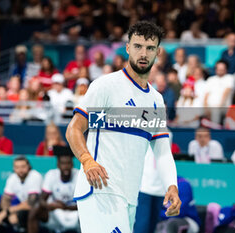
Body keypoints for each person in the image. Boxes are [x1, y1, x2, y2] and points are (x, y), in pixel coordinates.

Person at [66, 21, 181, 233]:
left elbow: (162, 151)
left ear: (158, 52)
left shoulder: (155, 101)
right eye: (137, 46)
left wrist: (171, 186)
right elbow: (74, 128)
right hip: (100, 190)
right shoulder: (107, 86)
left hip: (129, 197)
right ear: (128, 48)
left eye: (149, 48)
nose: (143, 53)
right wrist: (87, 160)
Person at [0, 156, 42, 233]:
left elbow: (31, 203)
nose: (20, 170)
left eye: (23, 167)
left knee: (23, 214)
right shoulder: (12, 178)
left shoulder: (35, 176)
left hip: (39, 209)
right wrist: (8, 213)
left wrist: (8, 212)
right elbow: (5, 199)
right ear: (14, 168)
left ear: (28, 167)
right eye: (17, 167)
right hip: (20, 208)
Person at [28, 153, 80, 233]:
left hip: (75, 212)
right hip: (56, 212)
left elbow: (85, 204)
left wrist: (65, 207)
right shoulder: (51, 174)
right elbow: (42, 199)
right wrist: (50, 206)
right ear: (58, 165)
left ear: (72, 164)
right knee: (36, 207)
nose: (66, 166)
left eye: (68, 163)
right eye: (63, 163)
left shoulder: (79, 175)